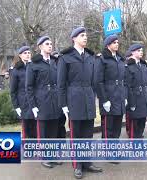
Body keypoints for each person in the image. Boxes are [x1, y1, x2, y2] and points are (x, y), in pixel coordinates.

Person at [57, 27, 102, 179]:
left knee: (88, 134)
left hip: (88, 98)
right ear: (74, 38)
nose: (85, 38)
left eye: (86, 35)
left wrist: (94, 95)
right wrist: (63, 104)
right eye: (82, 36)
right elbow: (61, 83)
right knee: (76, 134)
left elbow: (93, 80)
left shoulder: (90, 57)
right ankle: (77, 165)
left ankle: (87, 162)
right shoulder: (65, 58)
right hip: (74, 99)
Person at [26, 36, 66, 168]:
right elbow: (29, 87)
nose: (50, 46)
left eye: (51, 44)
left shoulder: (55, 62)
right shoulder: (33, 64)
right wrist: (33, 106)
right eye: (47, 44)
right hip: (42, 100)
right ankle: (44, 157)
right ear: (40, 47)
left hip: (55, 100)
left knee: (54, 129)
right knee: (44, 131)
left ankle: (53, 156)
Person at [97, 34, 127, 141]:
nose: (117, 44)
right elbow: (99, 81)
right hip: (109, 97)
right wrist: (104, 100)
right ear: (108, 45)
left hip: (119, 97)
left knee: (117, 126)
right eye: (114, 43)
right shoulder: (102, 59)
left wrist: (125, 96)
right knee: (108, 126)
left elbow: (124, 80)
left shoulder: (120, 59)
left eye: (117, 42)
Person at [125, 44, 147, 139]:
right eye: (138, 51)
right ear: (132, 52)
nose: (141, 52)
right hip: (135, 98)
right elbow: (127, 86)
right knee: (134, 126)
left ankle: (139, 141)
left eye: (141, 50)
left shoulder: (143, 66)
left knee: (141, 124)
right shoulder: (128, 66)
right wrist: (131, 103)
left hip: (144, 98)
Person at [10, 46, 36, 138]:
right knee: (27, 129)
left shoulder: (34, 67)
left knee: (37, 129)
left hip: (35, 101)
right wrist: (16, 106)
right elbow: (13, 90)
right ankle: (27, 150)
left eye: (29, 53)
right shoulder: (16, 70)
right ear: (20, 55)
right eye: (25, 53)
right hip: (23, 103)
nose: (27, 55)